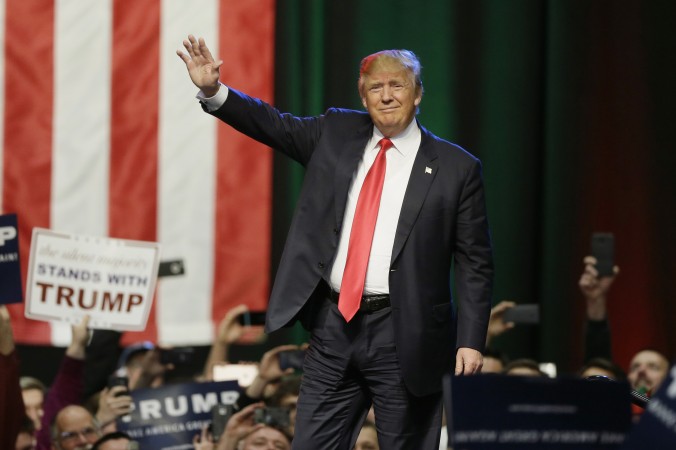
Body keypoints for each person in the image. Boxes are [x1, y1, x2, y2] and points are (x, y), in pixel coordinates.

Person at [178, 35, 494, 449]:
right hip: (333, 325)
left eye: (396, 85)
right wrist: (213, 90)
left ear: (418, 93)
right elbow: (273, 124)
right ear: (363, 99)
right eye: (375, 89)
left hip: (408, 334)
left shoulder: (457, 168)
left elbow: (475, 263)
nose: (386, 96)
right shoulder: (336, 132)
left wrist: (471, 340)